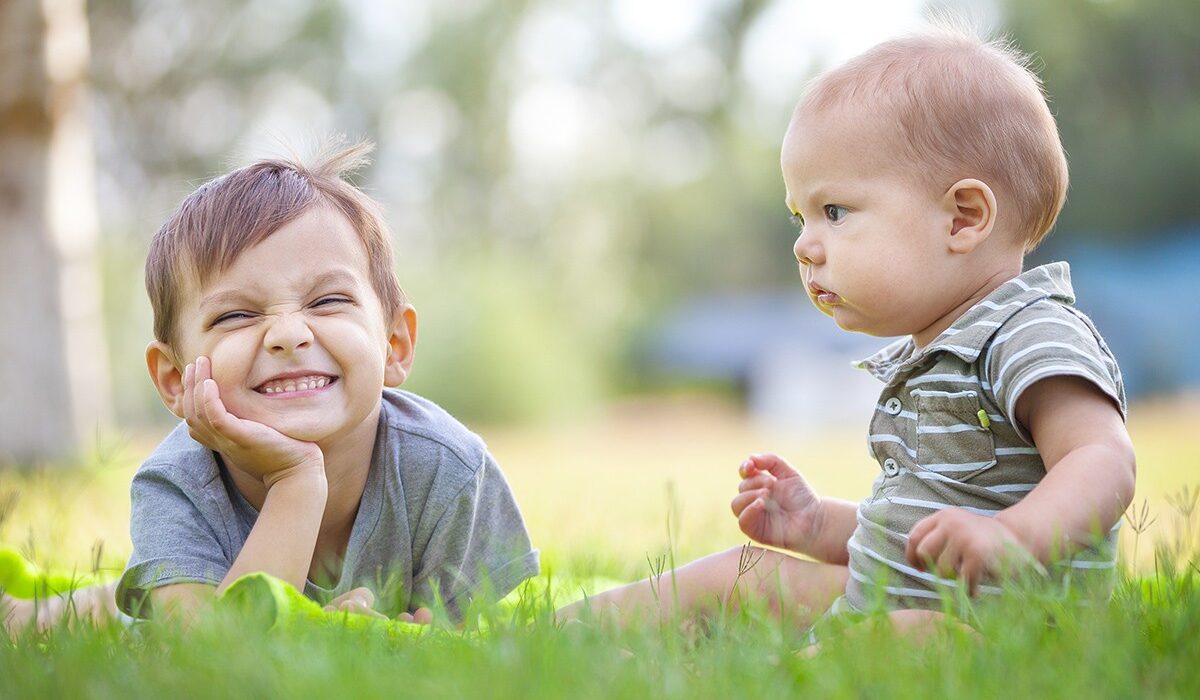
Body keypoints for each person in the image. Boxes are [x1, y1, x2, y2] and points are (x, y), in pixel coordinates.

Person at [559, 26, 1136, 633]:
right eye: (800, 216)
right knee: (741, 572)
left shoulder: (1031, 333)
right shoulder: (932, 356)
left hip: (999, 623)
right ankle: (540, 641)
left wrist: (1011, 537)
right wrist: (817, 525)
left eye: (833, 212)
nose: (805, 245)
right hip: (904, 602)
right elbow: (908, 540)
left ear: (963, 218)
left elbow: (1103, 459)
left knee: (899, 638)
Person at [1, 142, 539, 631]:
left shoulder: (446, 469)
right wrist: (295, 481)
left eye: (328, 300)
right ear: (174, 378)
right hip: (197, 600)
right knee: (127, 625)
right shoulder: (178, 483)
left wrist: (386, 633)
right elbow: (213, 654)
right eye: (236, 315)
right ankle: (39, 612)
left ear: (394, 344)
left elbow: (460, 641)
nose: (286, 334)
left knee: (132, 611)